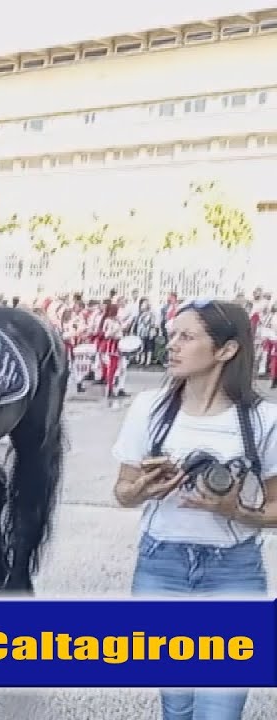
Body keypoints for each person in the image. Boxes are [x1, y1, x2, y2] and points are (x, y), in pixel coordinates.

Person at [111, 299, 277, 720]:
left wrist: (236, 511)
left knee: (219, 711)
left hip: (235, 573)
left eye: (186, 337)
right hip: (160, 567)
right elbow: (122, 492)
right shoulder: (149, 407)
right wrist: (142, 491)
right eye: (172, 336)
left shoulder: (263, 419)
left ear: (226, 350)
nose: (172, 346)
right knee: (177, 705)